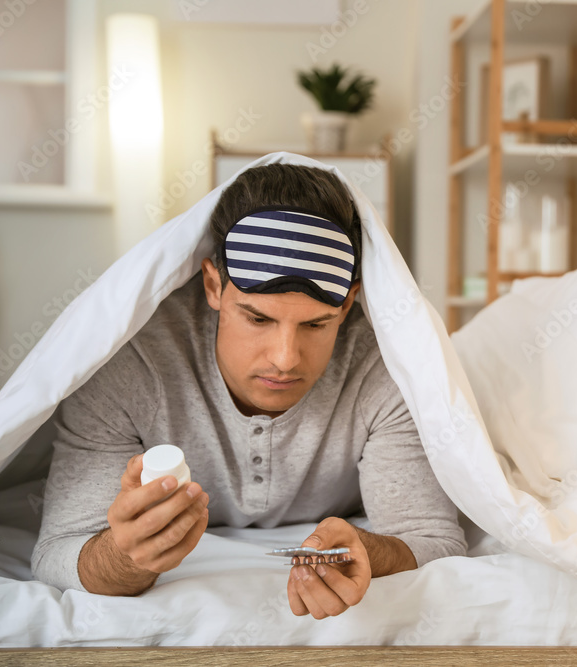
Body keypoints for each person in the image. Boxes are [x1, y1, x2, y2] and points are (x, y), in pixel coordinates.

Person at [31, 164, 466, 619]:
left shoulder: (386, 366)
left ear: (350, 301)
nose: (285, 358)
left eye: (316, 324)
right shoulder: (129, 366)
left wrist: (369, 553)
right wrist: (126, 557)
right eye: (258, 318)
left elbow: (433, 539)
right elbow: (59, 552)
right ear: (214, 285)